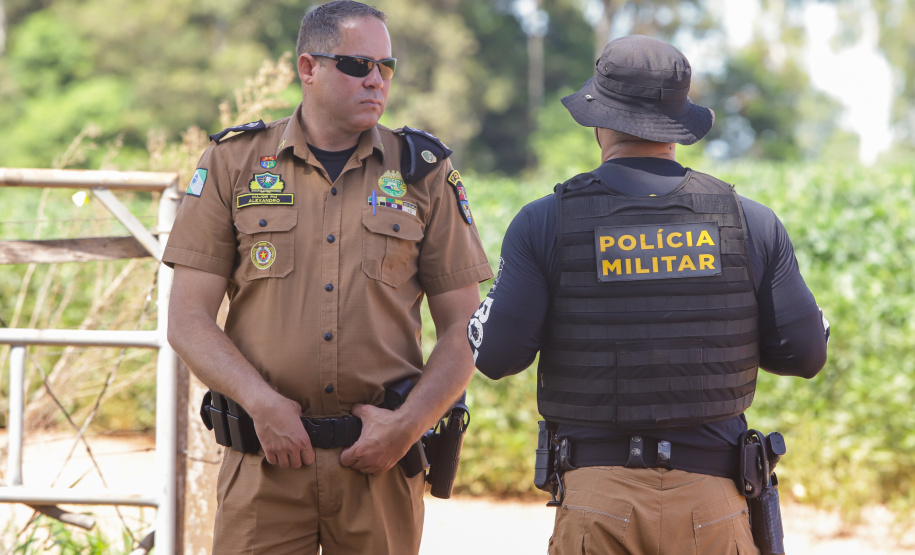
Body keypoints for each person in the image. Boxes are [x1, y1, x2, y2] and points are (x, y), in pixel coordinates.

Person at [468, 35, 829, 554]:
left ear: (600, 120)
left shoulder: (544, 221)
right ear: (678, 123)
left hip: (596, 505)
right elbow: (805, 355)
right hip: (715, 504)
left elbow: (497, 356)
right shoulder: (750, 223)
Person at [163, 1, 493, 553]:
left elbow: (467, 326)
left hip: (379, 465)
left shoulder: (423, 174)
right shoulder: (233, 162)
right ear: (308, 67)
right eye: (358, 65)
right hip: (263, 461)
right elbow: (187, 319)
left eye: (386, 67)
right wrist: (262, 404)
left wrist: (409, 424)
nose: (376, 81)